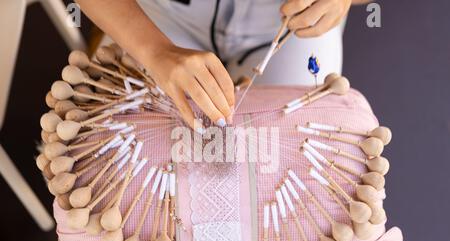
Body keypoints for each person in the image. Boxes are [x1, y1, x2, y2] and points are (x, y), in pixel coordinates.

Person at [75, 0, 370, 132]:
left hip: (287, 26)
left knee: (303, 146)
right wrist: (155, 50)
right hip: (158, 18)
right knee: (123, 149)